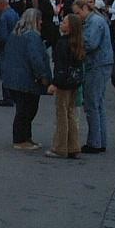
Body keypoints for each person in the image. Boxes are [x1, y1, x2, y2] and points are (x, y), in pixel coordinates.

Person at [0, 8, 52, 149]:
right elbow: (35, 58)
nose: (41, 22)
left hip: (13, 77)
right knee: (27, 110)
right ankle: (20, 140)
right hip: (27, 78)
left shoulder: (15, 35)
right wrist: (42, 75)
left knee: (24, 109)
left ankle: (26, 137)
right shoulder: (32, 36)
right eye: (39, 19)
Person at [47, 13, 85, 158]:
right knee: (71, 114)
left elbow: (60, 66)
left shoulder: (63, 43)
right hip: (74, 81)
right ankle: (73, 146)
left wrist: (55, 83)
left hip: (64, 82)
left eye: (64, 22)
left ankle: (60, 147)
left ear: (70, 27)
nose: (61, 24)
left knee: (62, 115)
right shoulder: (78, 43)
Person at [78, 0, 114, 153]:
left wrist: (76, 44)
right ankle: (99, 140)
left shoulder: (94, 22)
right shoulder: (95, 21)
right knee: (97, 103)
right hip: (100, 63)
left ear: (84, 9)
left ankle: (94, 142)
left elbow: (90, 43)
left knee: (92, 103)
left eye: (78, 13)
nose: (77, 16)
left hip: (97, 64)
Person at [0, 0, 20, 107]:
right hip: (13, 48)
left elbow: (2, 36)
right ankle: (12, 96)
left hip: (4, 49)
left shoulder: (3, 17)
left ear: (0, 4)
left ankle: (7, 97)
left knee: (5, 73)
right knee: (11, 72)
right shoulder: (14, 14)